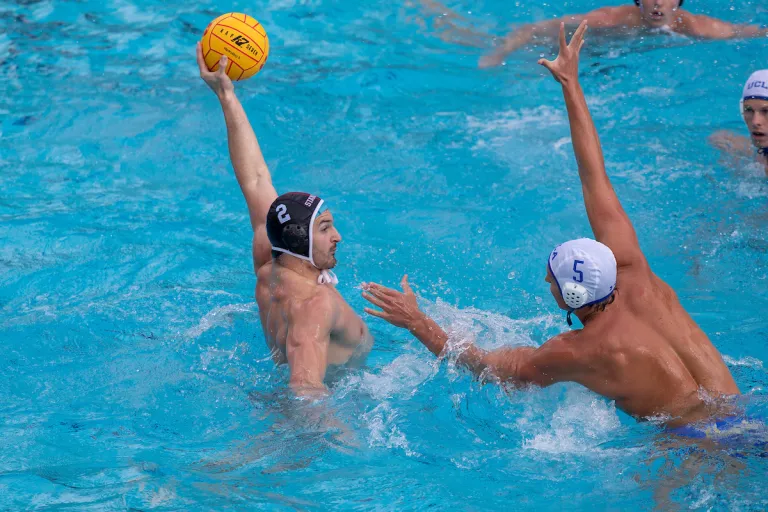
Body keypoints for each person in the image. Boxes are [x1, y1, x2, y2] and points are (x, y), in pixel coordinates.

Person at [362, 22, 740, 430]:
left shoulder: (579, 351)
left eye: (551, 281)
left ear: (571, 296)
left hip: (697, 446)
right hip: (743, 413)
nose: (546, 281)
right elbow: (594, 176)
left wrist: (417, 322)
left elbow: (487, 368)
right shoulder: (633, 269)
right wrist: (570, 85)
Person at [196, 44, 372, 397]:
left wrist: (226, 94)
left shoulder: (268, 260)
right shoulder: (315, 306)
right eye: (324, 229)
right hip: (339, 403)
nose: (338, 237)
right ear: (297, 241)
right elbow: (306, 389)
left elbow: (255, 179)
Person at [480, 0, 768, 68]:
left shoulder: (695, 27)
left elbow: (750, 32)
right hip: (585, 50)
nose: (657, 4)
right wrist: (499, 53)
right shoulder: (607, 20)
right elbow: (531, 30)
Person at [710, 70, 768, 176]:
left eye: (766, 111)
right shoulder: (752, 154)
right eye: (749, 110)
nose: (755, 122)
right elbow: (717, 137)